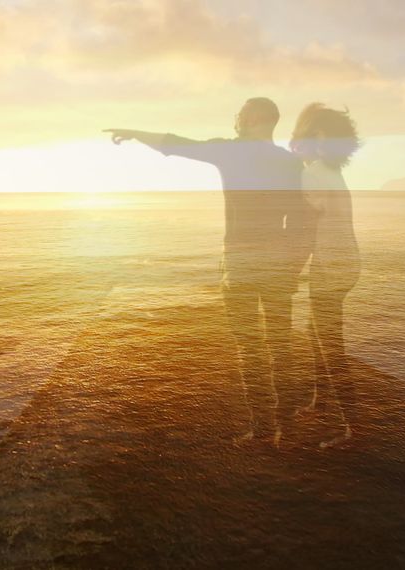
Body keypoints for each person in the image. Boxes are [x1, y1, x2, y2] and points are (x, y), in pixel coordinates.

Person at [105, 98, 314, 446]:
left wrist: (133, 132)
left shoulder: (231, 151)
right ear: (274, 122)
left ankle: (263, 430)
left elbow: (176, 144)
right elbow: (304, 221)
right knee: (281, 345)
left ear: (245, 120)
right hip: (278, 265)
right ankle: (287, 430)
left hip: (241, 263)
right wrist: (293, 266)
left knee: (250, 347)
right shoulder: (292, 163)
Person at [289, 103, 361, 449]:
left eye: (300, 133)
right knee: (315, 330)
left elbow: (305, 229)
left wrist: (288, 271)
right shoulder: (331, 170)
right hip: (347, 263)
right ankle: (321, 400)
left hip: (329, 268)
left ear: (314, 136)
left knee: (330, 344)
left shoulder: (314, 172)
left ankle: (354, 429)